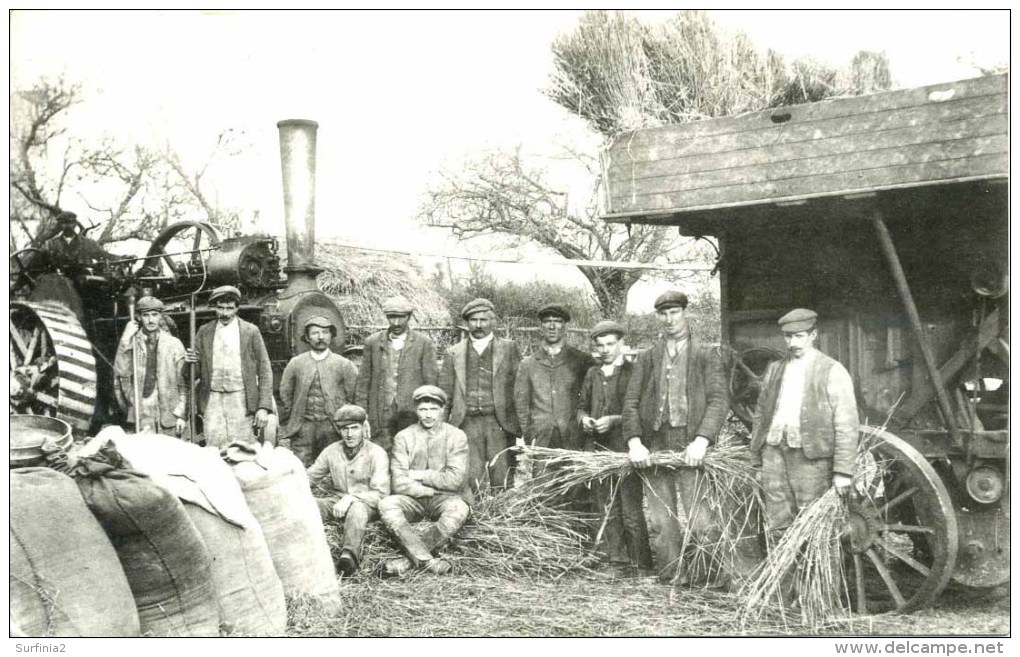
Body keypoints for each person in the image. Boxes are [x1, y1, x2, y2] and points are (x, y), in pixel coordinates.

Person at [622, 290, 730, 584]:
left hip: (690, 441)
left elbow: (719, 400)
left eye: (675, 312)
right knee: (660, 519)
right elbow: (630, 402)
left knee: (702, 520)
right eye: (663, 314)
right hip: (655, 443)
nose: (669, 319)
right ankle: (672, 576)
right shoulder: (647, 358)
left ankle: (710, 579)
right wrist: (635, 442)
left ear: (685, 313)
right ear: (658, 317)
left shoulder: (706, 354)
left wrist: (702, 440)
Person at [750, 309, 859, 537]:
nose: (793, 342)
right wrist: (757, 461)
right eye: (788, 337)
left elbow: (846, 424)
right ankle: (786, 572)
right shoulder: (774, 369)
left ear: (813, 335)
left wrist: (843, 471)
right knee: (778, 522)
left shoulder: (832, 370)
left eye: (799, 336)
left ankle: (816, 573)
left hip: (811, 459)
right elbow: (760, 416)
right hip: (773, 454)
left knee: (815, 525)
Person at [578, 320, 653, 579]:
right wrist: (585, 420)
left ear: (622, 343)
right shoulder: (592, 374)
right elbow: (582, 406)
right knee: (606, 506)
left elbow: (642, 412)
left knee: (631, 509)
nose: (605, 350)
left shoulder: (634, 372)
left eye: (611, 344)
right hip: (598, 451)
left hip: (626, 449)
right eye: (600, 345)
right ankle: (617, 562)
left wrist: (614, 420)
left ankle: (642, 564)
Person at [378, 385, 472, 576]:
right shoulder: (404, 437)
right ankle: (426, 561)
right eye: (423, 409)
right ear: (416, 410)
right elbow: (399, 482)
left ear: (442, 410)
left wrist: (421, 474)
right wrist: (430, 489)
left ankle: (407, 561)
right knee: (387, 504)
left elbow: (454, 481)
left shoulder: (456, 436)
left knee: (459, 509)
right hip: (415, 500)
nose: (428, 415)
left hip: (447, 499)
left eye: (433, 409)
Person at [438, 298, 521, 491]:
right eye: (473, 320)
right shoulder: (453, 353)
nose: (478, 325)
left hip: (499, 423)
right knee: (471, 477)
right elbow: (445, 394)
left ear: (492, 321)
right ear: (467, 323)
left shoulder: (508, 349)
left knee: (503, 475)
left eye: (483, 320)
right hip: (467, 422)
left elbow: (519, 389)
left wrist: (521, 424)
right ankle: (475, 516)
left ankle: (503, 518)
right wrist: (441, 426)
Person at [185, 285, 274, 448]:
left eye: (229, 308)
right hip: (213, 401)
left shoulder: (250, 331)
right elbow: (194, 372)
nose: (225, 313)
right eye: (220, 308)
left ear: (237, 308)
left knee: (242, 449)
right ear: (214, 307)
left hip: (241, 400)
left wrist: (263, 407)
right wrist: (189, 361)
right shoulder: (204, 331)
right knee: (214, 447)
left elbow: (264, 370)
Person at [307, 404, 390, 577]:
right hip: (337, 501)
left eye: (355, 428)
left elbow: (381, 493)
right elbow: (310, 477)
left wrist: (352, 498)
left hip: (367, 504)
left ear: (363, 428)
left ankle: (348, 557)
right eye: (345, 429)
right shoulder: (331, 451)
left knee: (357, 508)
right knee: (310, 505)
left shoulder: (376, 453)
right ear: (339, 430)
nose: (350, 434)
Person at [355, 295, 438, 450]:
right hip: (380, 413)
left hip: (411, 414)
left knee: (410, 453)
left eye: (401, 317)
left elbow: (431, 383)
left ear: (409, 316)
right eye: (392, 317)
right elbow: (363, 382)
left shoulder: (423, 343)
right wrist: (362, 414)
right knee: (380, 455)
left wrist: (428, 413)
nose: (397, 323)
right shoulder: (373, 342)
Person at [279, 316, 359, 466]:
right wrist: (294, 415)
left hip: (331, 426)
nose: (320, 337)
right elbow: (285, 391)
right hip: (303, 426)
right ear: (307, 338)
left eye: (325, 332)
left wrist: (343, 417)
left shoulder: (344, 364)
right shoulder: (296, 363)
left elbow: (353, 394)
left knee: (333, 464)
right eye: (315, 333)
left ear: (331, 336)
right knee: (300, 466)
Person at [514, 303, 594, 451]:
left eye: (557, 321)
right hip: (542, 439)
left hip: (573, 438)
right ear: (540, 326)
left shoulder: (582, 360)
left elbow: (592, 397)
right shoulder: (528, 364)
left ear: (565, 326)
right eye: (547, 321)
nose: (552, 326)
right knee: (542, 475)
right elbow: (521, 405)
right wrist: (529, 434)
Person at [113, 295, 188, 436]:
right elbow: (121, 372)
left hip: (169, 411)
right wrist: (125, 340)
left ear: (161, 316)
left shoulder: (174, 344)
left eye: (155, 314)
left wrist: (182, 414)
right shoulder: (131, 341)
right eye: (146, 315)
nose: (151, 319)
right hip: (142, 408)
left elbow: (184, 382)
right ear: (139, 317)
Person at [41, 210, 112, 267]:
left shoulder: (88, 243)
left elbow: (104, 255)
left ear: (75, 224)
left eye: (70, 223)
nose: (68, 226)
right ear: (60, 225)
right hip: (59, 282)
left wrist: (122, 258)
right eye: (64, 223)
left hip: (85, 281)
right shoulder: (51, 245)